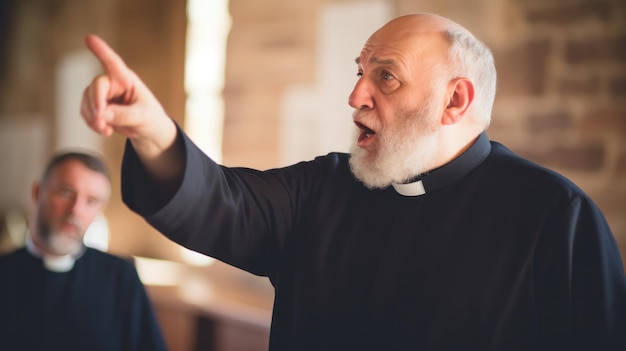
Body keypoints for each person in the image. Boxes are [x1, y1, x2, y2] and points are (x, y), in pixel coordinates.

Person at [79, 13, 626, 351]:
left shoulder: (556, 217)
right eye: (359, 72)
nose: (356, 96)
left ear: (455, 100)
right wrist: (152, 131)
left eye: (384, 75)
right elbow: (221, 202)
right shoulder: (323, 190)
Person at [0, 151, 167, 351]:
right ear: (38, 192)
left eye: (91, 201)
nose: (76, 210)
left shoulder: (121, 277)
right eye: (66, 192)